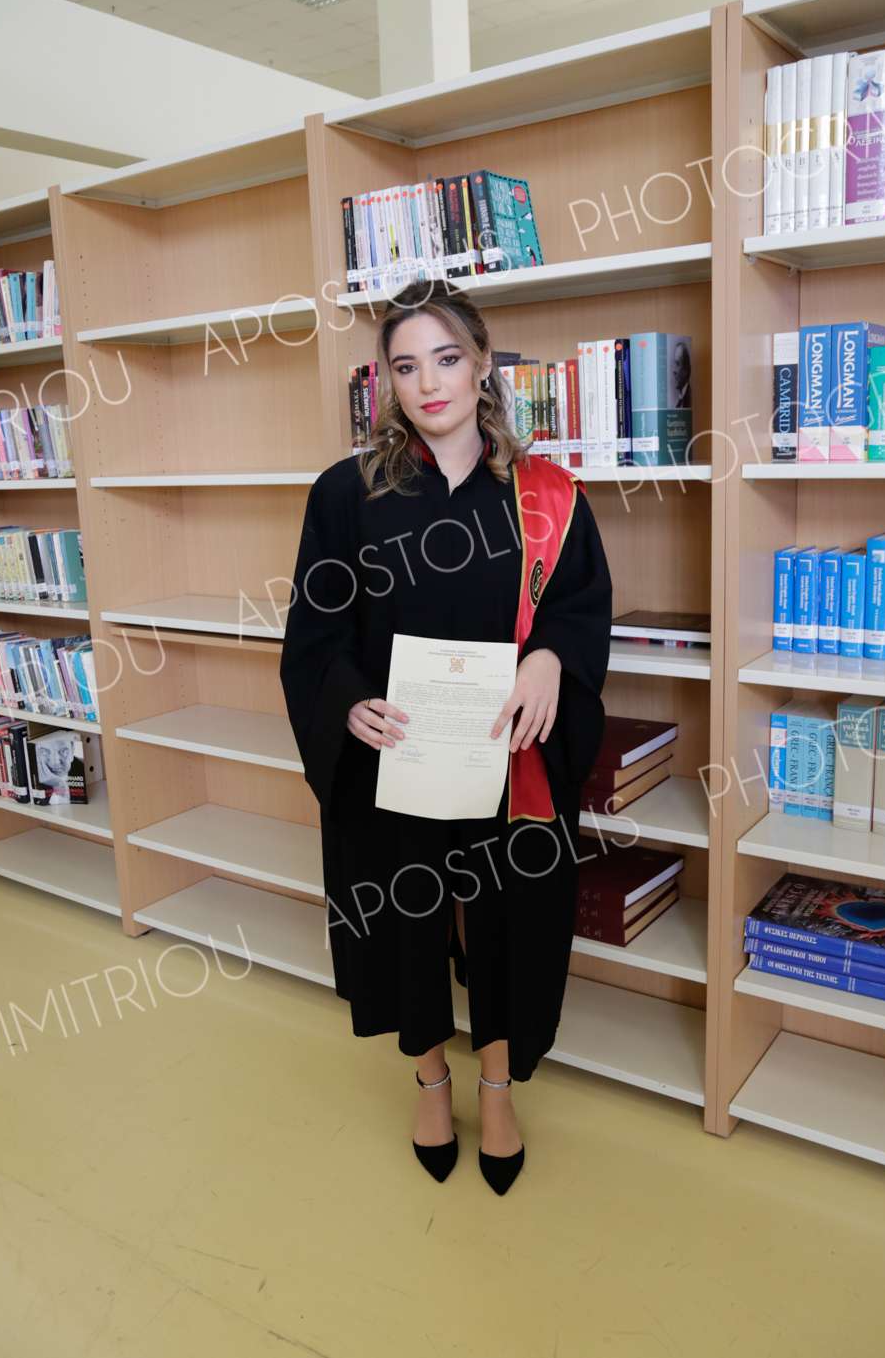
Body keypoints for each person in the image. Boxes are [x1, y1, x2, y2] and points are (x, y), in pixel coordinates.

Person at [280, 278, 612, 1194]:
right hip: (397, 756)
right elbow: (315, 632)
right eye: (405, 366)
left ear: (483, 363)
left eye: (447, 358)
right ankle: (431, 1081)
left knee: (509, 921)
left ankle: (497, 1090)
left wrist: (551, 659)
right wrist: (347, 700)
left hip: (509, 757)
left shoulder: (544, 497)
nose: (428, 383)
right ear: (387, 381)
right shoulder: (347, 494)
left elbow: (579, 606)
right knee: (405, 919)